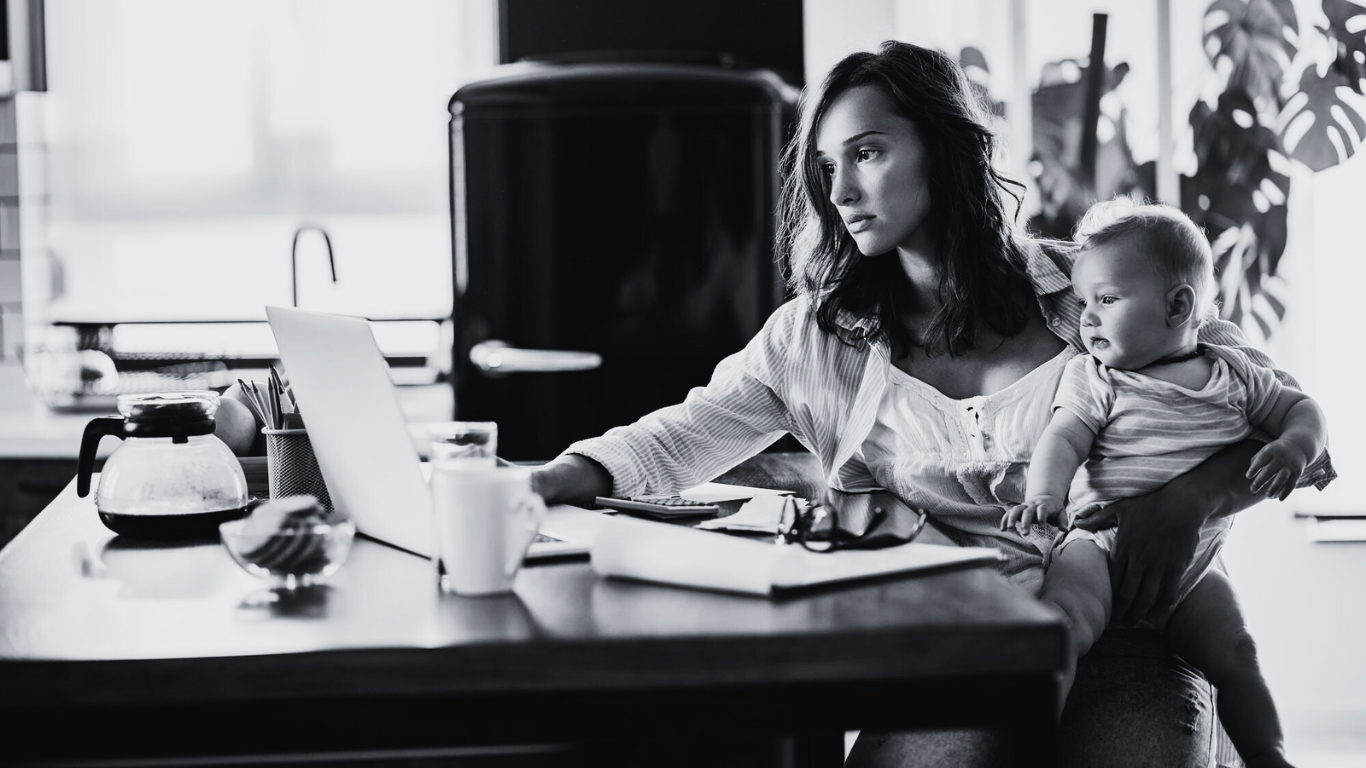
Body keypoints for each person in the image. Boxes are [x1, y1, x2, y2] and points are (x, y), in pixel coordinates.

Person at [530, 41, 1335, 766]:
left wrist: (1192, 500)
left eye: (869, 152)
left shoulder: (1091, 289)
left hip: (1134, 633)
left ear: (947, 150)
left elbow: (1279, 415)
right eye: (825, 166)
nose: (840, 189)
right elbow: (678, 440)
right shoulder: (816, 340)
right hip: (961, 641)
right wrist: (543, 481)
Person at [1001, 198, 1328, 768]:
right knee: (1061, 627)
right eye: (1084, 303)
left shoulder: (1235, 374)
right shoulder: (1096, 377)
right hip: (1098, 547)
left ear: (1178, 305)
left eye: (1107, 299)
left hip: (1194, 562)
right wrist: (1046, 497)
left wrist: (1293, 444)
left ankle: (1270, 758)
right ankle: (1027, 747)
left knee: (1236, 652)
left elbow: (1303, 410)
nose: (1087, 319)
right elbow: (1062, 439)